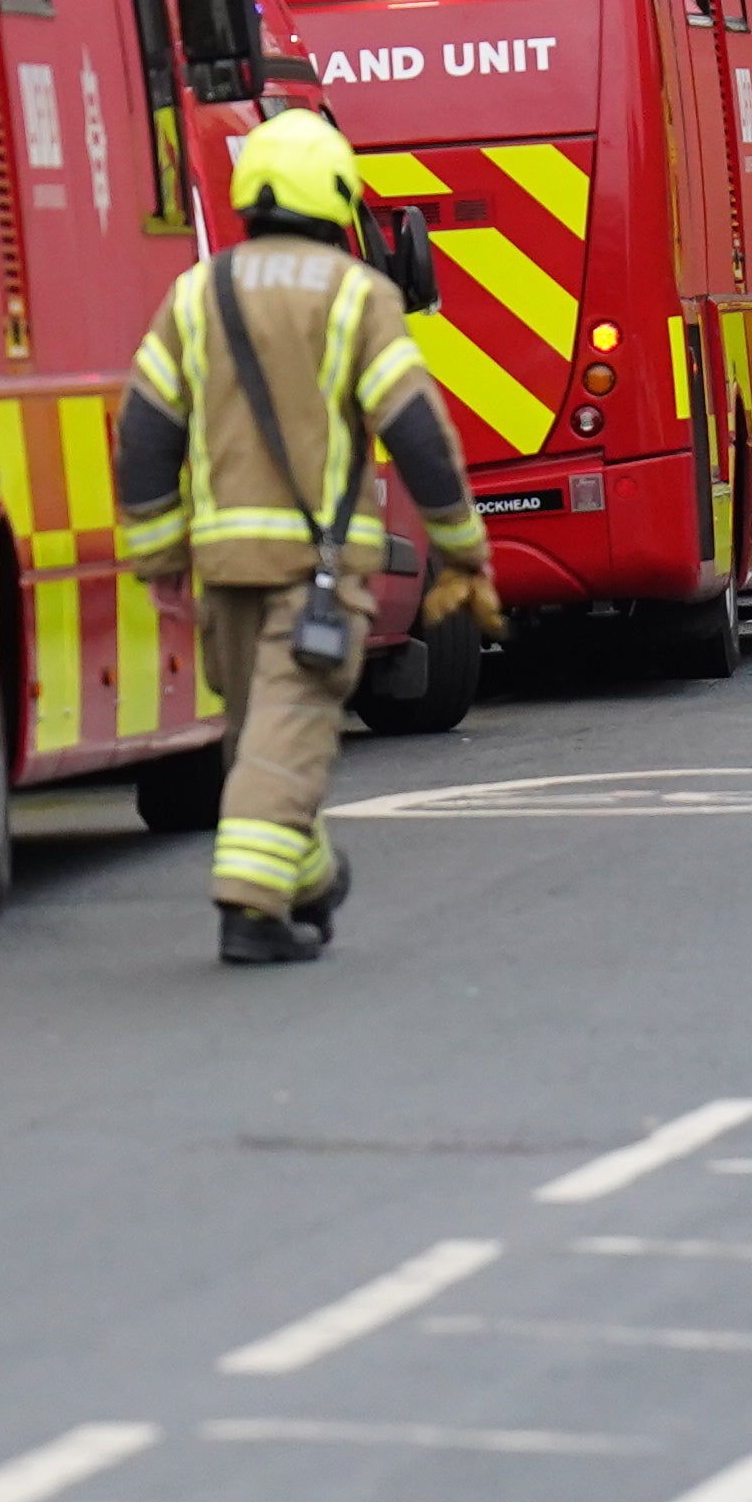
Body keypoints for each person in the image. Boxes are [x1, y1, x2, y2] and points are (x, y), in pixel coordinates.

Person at [118, 113, 505, 964]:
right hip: (318, 571)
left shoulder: (198, 292)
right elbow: (416, 432)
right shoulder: (356, 295)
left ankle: (309, 877)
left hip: (224, 569)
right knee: (286, 732)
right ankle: (250, 908)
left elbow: (144, 429)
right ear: (334, 198)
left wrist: (156, 555)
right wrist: (462, 545)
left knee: (263, 735)